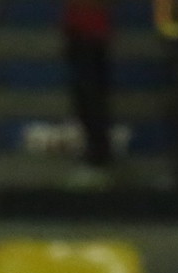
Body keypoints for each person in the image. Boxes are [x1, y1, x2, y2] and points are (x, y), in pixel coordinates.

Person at [63, 0, 112, 175]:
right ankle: (95, 146)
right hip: (78, 31)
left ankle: (98, 148)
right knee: (84, 93)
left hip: (92, 34)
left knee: (90, 92)